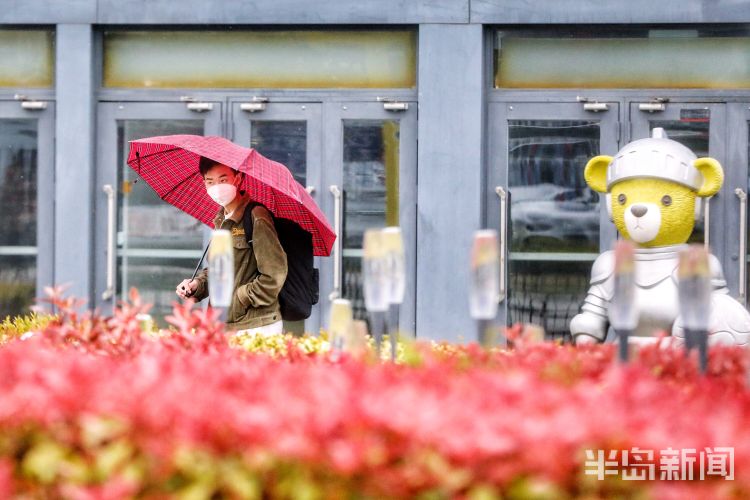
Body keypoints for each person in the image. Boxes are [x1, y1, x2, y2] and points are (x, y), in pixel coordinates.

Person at [176, 157, 288, 336]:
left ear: (238, 178)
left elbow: (274, 275)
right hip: (224, 324)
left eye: (223, 179)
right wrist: (197, 284)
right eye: (210, 181)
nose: (217, 187)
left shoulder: (257, 217)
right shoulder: (221, 219)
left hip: (256, 326)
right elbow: (219, 270)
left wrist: (239, 298)